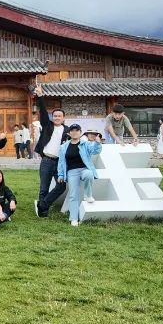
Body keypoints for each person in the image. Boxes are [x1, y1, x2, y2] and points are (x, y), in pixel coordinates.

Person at [32, 84, 69, 217]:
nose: (57, 118)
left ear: (63, 118)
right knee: (44, 187)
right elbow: (42, 111)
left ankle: (43, 204)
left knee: (61, 186)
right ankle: (43, 212)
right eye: (55, 116)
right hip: (47, 160)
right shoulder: (47, 125)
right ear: (52, 117)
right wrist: (40, 96)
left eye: (59, 116)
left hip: (60, 163)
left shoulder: (68, 130)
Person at [56, 124, 102, 227]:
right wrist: (61, 175)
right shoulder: (64, 147)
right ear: (69, 133)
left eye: (77, 130)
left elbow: (95, 150)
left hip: (84, 169)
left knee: (89, 174)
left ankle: (88, 195)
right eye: (72, 130)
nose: (74, 132)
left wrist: (97, 143)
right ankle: (74, 219)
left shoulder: (85, 144)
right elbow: (61, 162)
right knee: (73, 195)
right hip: (72, 172)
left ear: (80, 132)